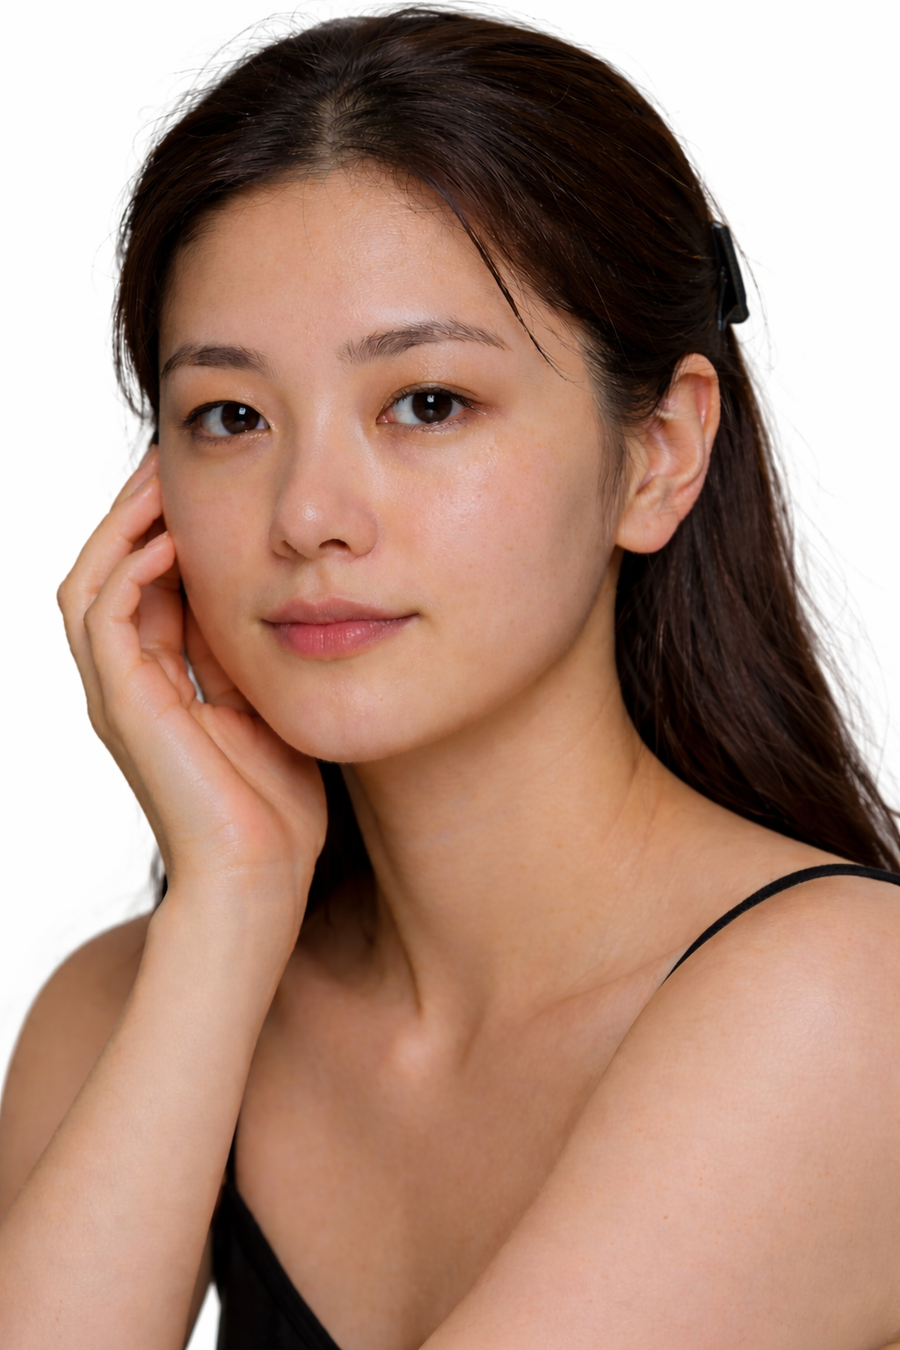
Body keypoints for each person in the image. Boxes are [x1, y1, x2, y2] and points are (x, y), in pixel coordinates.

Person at [3, 7, 900, 1346]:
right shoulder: (126, 1010)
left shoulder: (847, 1008)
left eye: (427, 403)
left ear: (659, 452)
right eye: (231, 417)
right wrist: (231, 900)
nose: (308, 515)